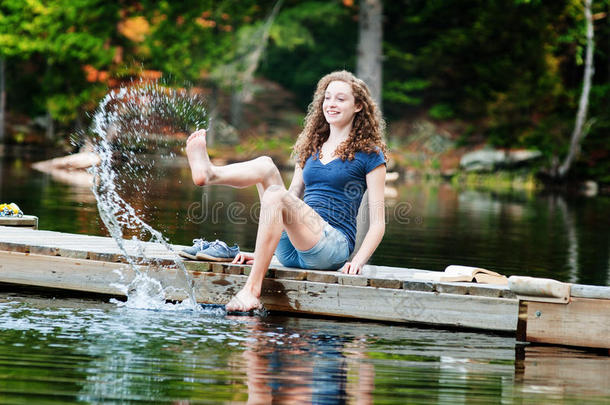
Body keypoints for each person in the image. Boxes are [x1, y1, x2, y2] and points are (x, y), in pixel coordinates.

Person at [185, 70, 388, 312]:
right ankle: (210, 174)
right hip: (293, 250)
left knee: (275, 194)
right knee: (265, 165)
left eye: (340, 99)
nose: (331, 104)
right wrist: (263, 253)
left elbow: (377, 222)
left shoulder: (370, 154)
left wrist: (357, 262)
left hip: (331, 248)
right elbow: (291, 197)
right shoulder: (311, 146)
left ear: (358, 106)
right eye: (328, 98)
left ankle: (251, 291)